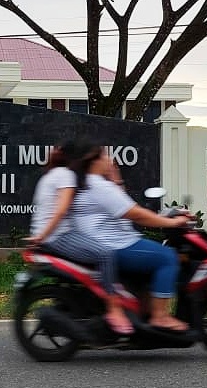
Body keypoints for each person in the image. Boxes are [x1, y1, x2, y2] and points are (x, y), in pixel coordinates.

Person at [70, 144, 194, 333]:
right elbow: (135, 213)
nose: (110, 160)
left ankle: (143, 310)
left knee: (152, 256)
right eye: (105, 156)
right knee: (167, 257)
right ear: (94, 161)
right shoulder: (98, 186)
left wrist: (116, 178)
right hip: (116, 245)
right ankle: (160, 317)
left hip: (111, 241)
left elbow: (121, 204)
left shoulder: (92, 183)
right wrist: (172, 223)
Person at [28, 141, 134, 335]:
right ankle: (114, 309)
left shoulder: (49, 175)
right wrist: (41, 237)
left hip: (53, 236)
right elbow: (60, 211)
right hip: (58, 237)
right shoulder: (66, 175)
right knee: (106, 253)